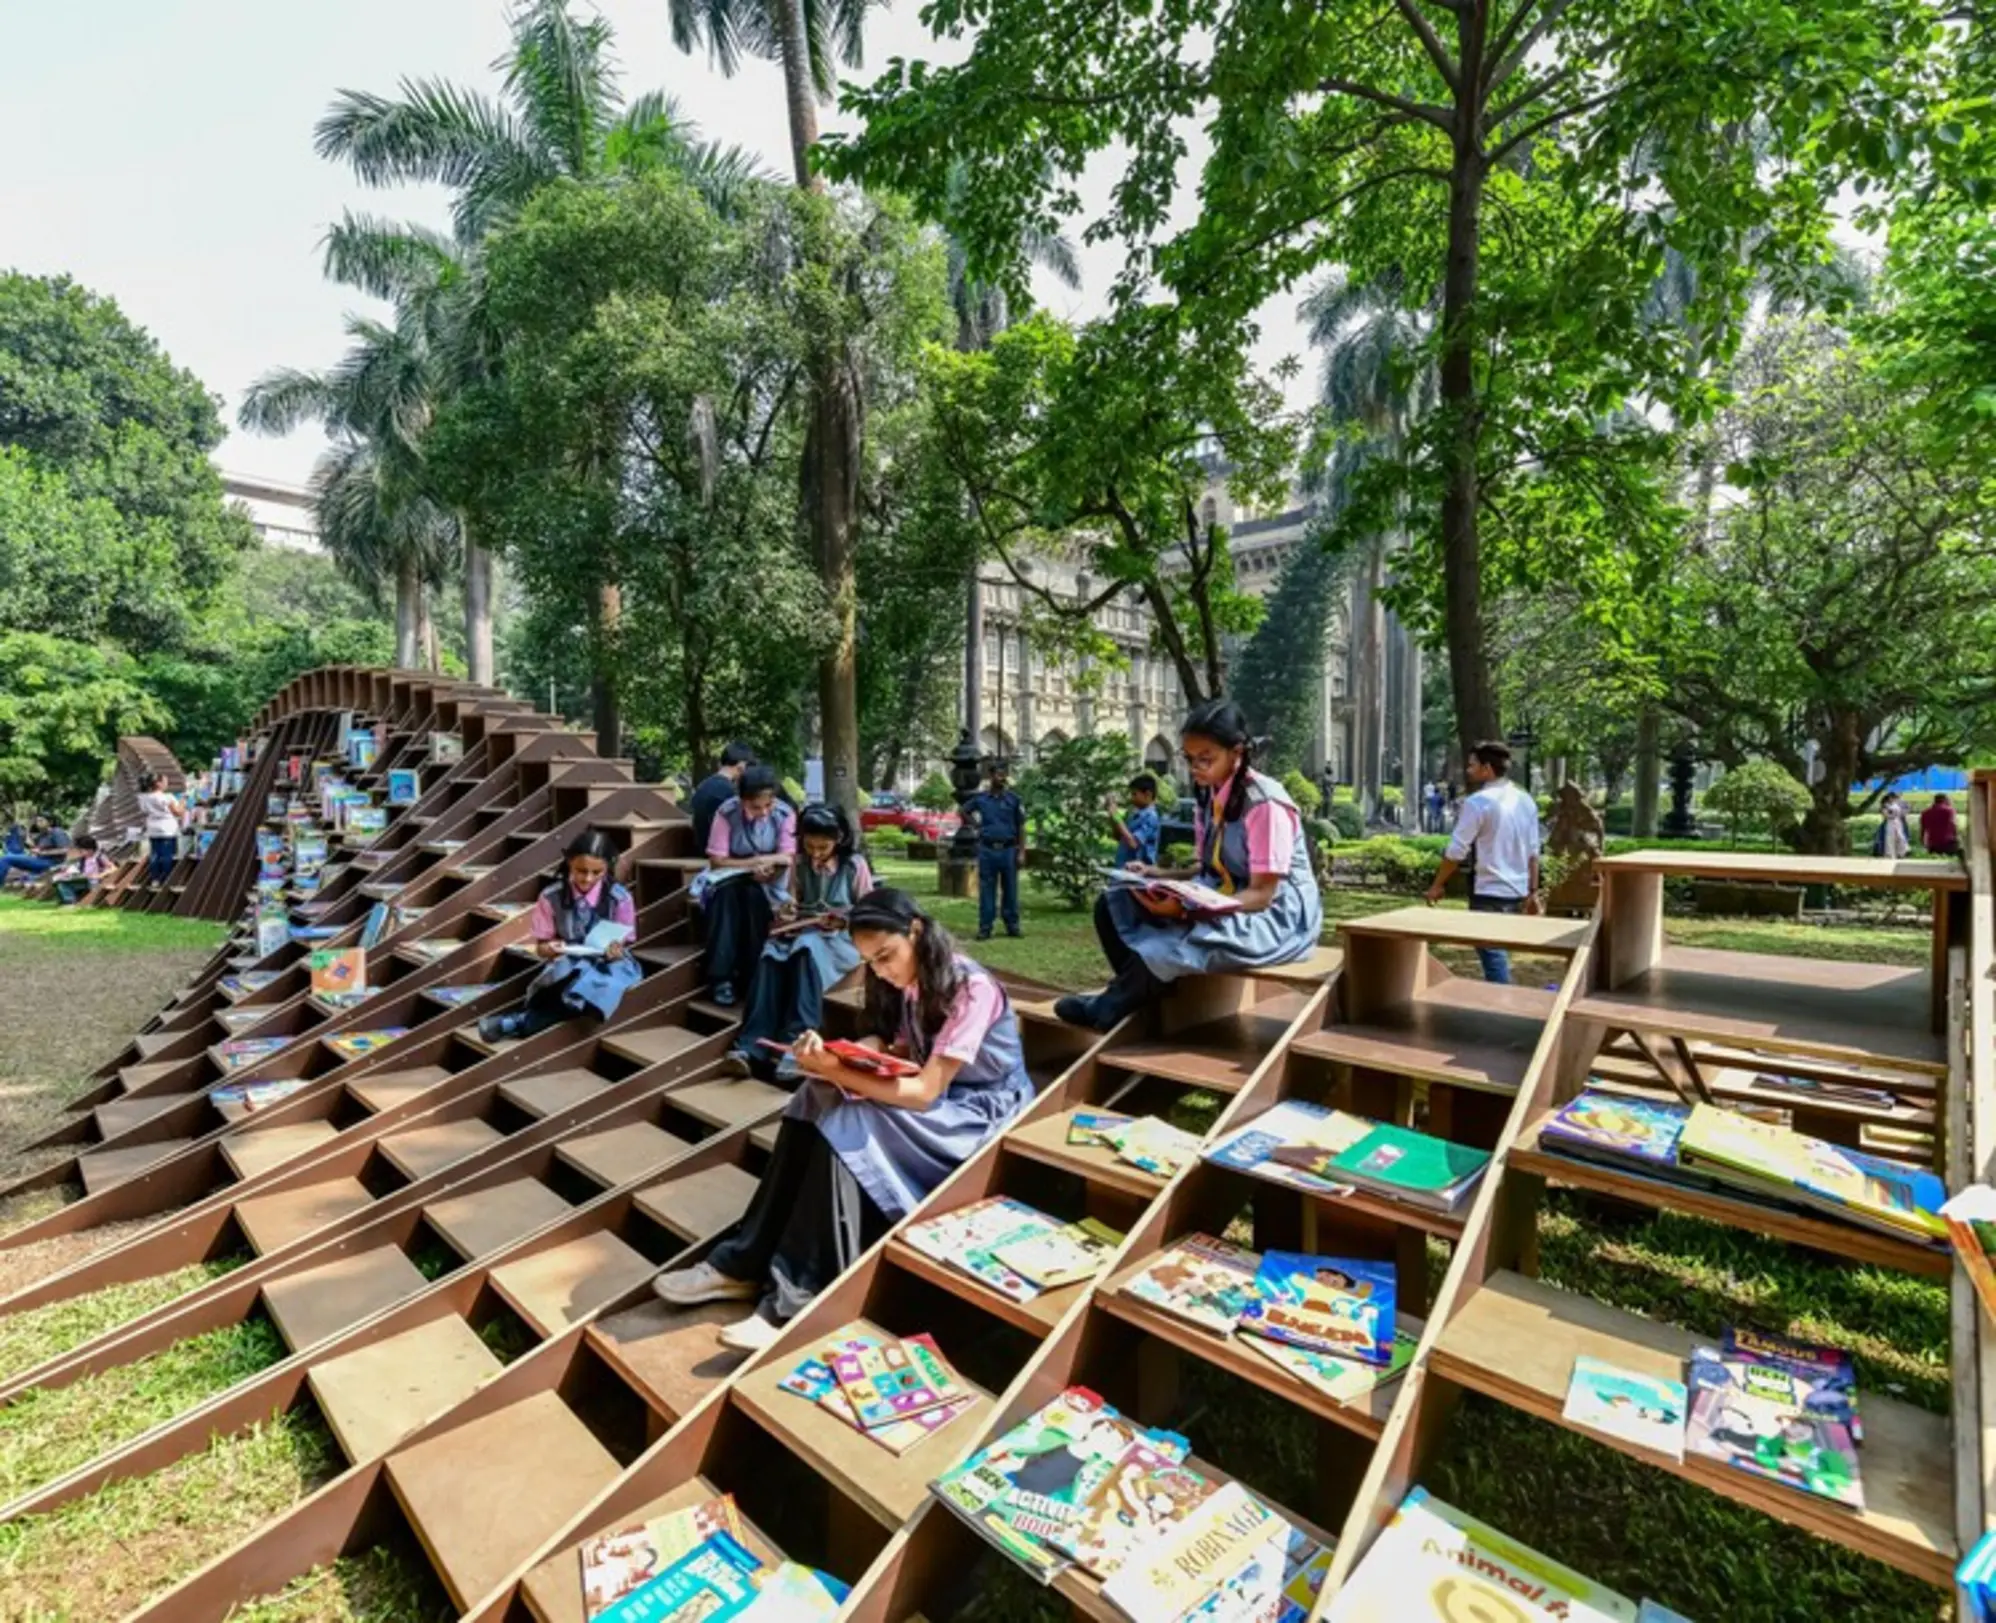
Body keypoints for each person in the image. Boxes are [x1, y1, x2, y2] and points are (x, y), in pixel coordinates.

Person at [653, 888, 1032, 1351]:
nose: (881, 971)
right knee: (815, 1093)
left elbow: (926, 1089)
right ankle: (742, 1264)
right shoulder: (909, 981)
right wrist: (848, 1055)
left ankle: (796, 1298)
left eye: (886, 956)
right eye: (871, 962)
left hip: (978, 1113)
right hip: (940, 1097)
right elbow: (902, 1049)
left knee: (852, 1117)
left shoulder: (972, 988)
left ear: (914, 930)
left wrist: (840, 1070)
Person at [1057, 699, 1324, 1031]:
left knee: (1183, 937)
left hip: (1274, 916)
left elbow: (1263, 895)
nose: (1195, 767)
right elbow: (1208, 868)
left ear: (1236, 753)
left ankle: (1112, 1004)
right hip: (1224, 896)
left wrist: (1187, 911)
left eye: (1205, 759)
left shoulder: (1265, 804)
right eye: (1189, 759)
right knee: (1114, 903)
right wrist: (1158, 877)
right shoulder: (1209, 796)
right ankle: (1144, 992)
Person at [723, 804, 875, 1078]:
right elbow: (793, 900)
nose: (815, 854)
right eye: (810, 845)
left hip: (841, 941)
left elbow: (870, 913)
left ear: (838, 840)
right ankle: (750, 1046)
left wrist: (843, 921)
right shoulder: (799, 862)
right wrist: (787, 910)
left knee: (807, 950)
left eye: (823, 848)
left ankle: (796, 1046)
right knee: (770, 954)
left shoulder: (855, 866)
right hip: (804, 933)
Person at [478, 830, 641, 1043]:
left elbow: (624, 940)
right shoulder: (550, 896)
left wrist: (615, 950)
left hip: (609, 965)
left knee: (593, 986)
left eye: (597, 872)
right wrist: (549, 948)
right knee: (569, 980)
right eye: (581, 871)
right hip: (569, 959)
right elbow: (541, 947)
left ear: (607, 869)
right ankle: (522, 1021)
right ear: (569, 863)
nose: (588, 878)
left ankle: (518, 1022)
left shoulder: (620, 898)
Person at [1422, 741, 1542, 984]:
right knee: (1495, 952)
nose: (1468, 770)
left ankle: (1504, 1004)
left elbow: (1456, 850)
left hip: (1488, 890)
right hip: (1517, 890)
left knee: (1492, 954)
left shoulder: (1478, 802)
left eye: (1472, 765)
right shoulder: (1525, 800)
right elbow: (1533, 852)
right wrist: (1532, 891)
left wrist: (1437, 885)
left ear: (1487, 768)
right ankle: (1504, 999)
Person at [695, 764, 797, 1006]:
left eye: (767, 805)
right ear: (741, 801)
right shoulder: (726, 813)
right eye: (755, 807)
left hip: (771, 885)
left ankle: (752, 976)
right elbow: (717, 861)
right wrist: (753, 864)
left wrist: (768, 867)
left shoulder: (785, 814)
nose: (763, 812)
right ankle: (721, 978)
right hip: (730, 880)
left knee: (753, 899)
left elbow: (788, 856)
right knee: (726, 898)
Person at [965, 762, 1026, 940]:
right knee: (987, 890)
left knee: (1011, 890)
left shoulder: (1014, 800)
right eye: (998, 774)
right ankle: (985, 927)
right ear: (991, 776)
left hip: (1008, 850)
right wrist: (976, 826)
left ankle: (1012, 925)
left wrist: (1021, 852)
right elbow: (964, 810)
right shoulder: (981, 799)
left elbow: (1021, 826)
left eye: (1004, 774)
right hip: (987, 849)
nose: (1002, 778)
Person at [689, 741, 758, 853]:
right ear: (741, 767)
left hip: (702, 847)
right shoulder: (730, 792)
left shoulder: (702, 786)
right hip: (722, 850)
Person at [137, 775, 185, 887]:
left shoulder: (145, 797)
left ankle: (155, 879)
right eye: (165, 781)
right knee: (167, 855)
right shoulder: (167, 797)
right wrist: (183, 801)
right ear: (158, 783)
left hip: (153, 828)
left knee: (155, 854)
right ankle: (166, 879)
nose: (166, 784)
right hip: (167, 829)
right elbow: (178, 812)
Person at [1111, 774, 1163, 870]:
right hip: (1122, 867)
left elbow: (1133, 843)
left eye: (1134, 794)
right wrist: (1113, 817)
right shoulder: (1133, 814)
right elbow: (1118, 836)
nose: (1132, 798)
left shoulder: (1151, 816)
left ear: (1148, 794)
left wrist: (1116, 816)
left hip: (1137, 872)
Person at [51, 836, 112, 905]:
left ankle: (93, 902)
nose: (80, 853)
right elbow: (77, 869)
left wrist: (100, 875)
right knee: (61, 884)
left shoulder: (99, 857)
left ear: (90, 850)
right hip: (85, 880)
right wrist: (66, 873)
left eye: (81, 851)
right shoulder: (83, 859)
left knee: (93, 881)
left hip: (96, 881)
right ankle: (70, 902)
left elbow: (113, 868)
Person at [1921, 793, 1961, 857]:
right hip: (1948, 843)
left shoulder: (1925, 812)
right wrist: (1958, 837)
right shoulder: (1949, 810)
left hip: (1933, 844)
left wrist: (1923, 843)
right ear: (1945, 800)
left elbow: (1923, 829)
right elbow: (1954, 825)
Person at [1878, 791, 1912, 859]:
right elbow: (1886, 815)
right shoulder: (1885, 805)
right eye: (1894, 798)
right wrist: (1893, 815)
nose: (1895, 799)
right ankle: (1890, 854)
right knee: (1890, 839)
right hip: (1890, 822)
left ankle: (1901, 852)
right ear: (1890, 798)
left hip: (1898, 822)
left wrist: (1903, 813)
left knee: (1901, 838)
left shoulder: (1895, 804)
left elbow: (1905, 809)